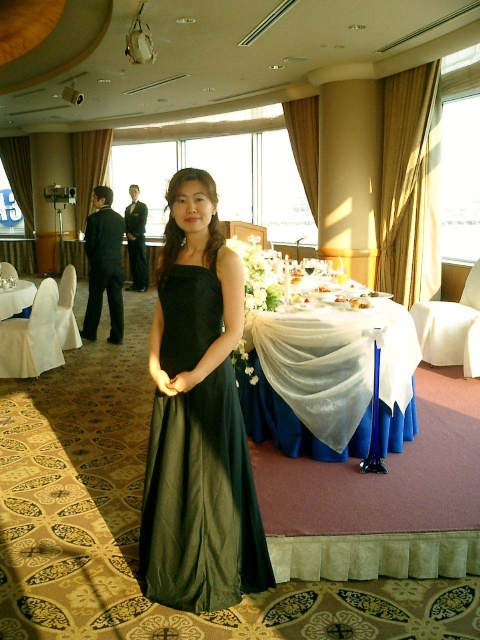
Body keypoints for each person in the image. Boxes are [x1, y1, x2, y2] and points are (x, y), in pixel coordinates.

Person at [139, 168, 276, 612]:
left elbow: (233, 331)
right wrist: (153, 364)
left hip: (207, 378)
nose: (191, 208)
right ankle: (171, 560)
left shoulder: (225, 258)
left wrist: (195, 376)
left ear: (214, 205)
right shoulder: (169, 254)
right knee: (174, 469)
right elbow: (160, 318)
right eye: (180, 200)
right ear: (171, 208)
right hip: (170, 377)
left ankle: (208, 572)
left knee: (206, 477)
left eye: (199, 199)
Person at [81, 186, 125, 345]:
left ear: (102, 200)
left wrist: (94, 262)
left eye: (94, 197)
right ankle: (117, 336)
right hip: (117, 265)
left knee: (95, 300)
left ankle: (90, 332)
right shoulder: (120, 218)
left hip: (100, 266)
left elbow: (89, 246)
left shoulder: (93, 219)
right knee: (116, 301)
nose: (92, 200)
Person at [125, 184, 149, 292]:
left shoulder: (143, 206)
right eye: (131, 191)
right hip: (130, 238)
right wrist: (128, 234)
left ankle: (143, 285)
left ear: (139, 192)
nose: (133, 193)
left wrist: (134, 234)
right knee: (133, 261)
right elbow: (125, 223)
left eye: (135, 191)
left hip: (139, 238)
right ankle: (135, 284)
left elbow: (142, 222)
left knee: (141, 261)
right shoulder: (127, 208)